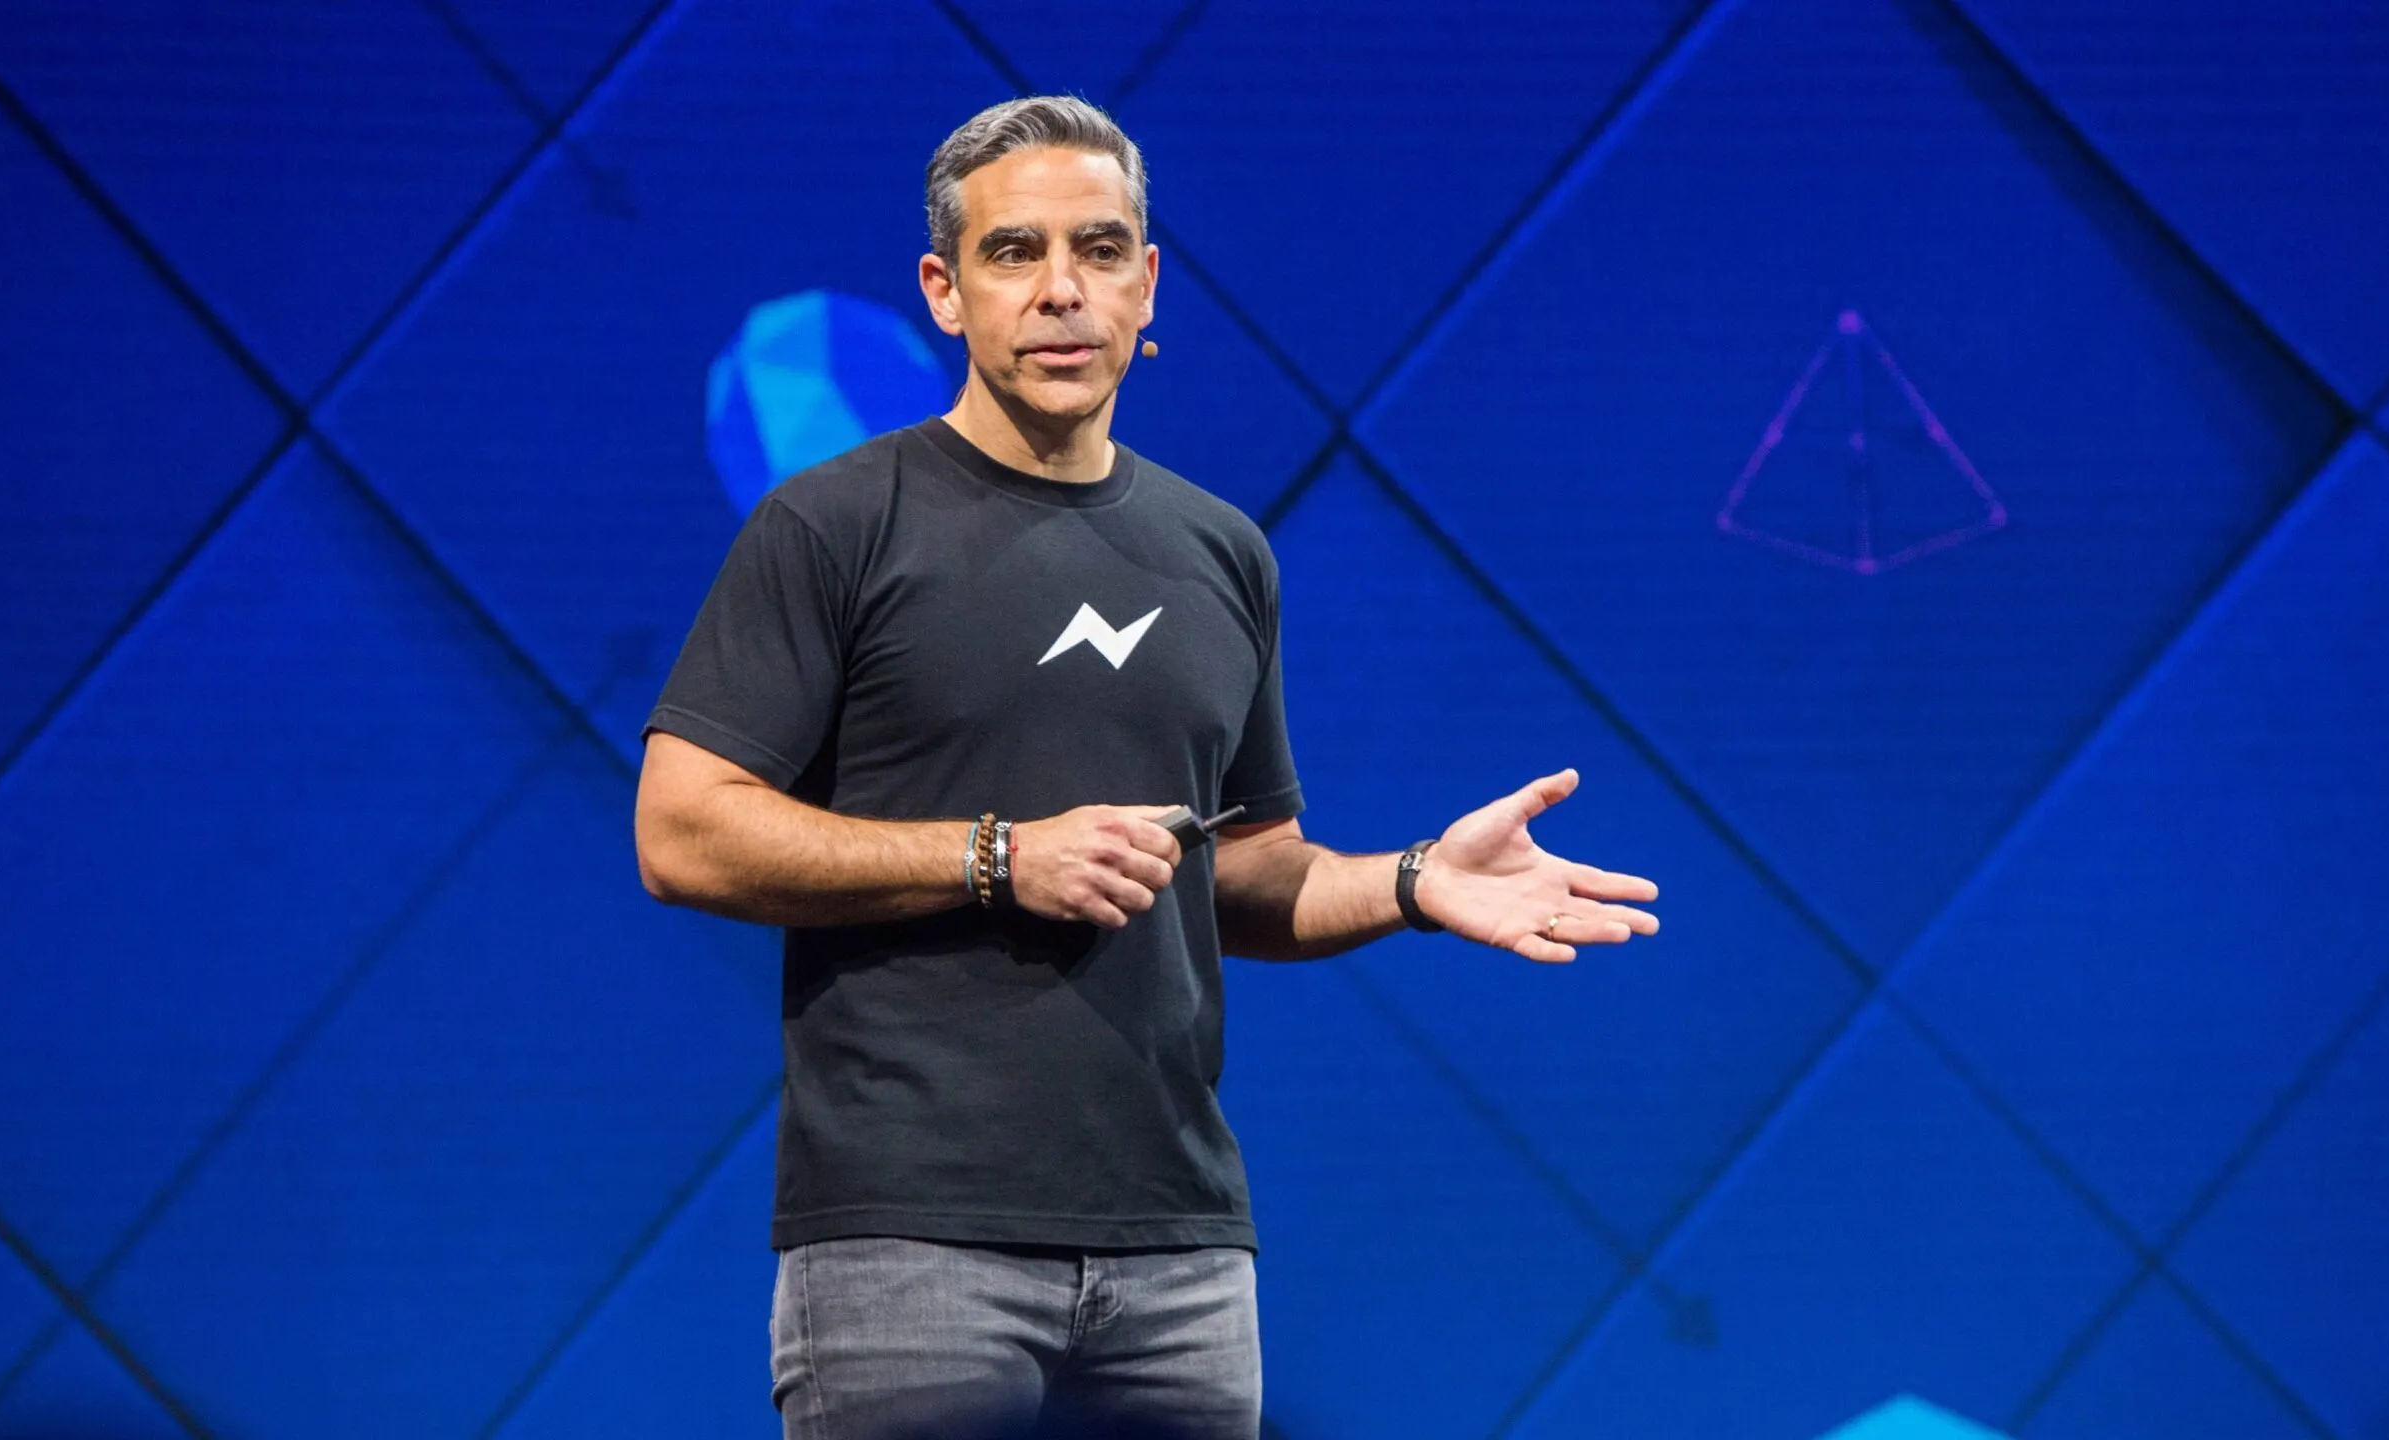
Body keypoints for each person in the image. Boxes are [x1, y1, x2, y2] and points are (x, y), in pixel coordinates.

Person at [633, 94, 1660, 1440]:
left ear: (1148, 283)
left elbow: (1247, 878)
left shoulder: (1221, 550)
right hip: (912, 1243)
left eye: (1100, 249)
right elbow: (682, 831)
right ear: (944, 292)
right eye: (1014, 252)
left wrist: (1415, 881)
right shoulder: (833, 524)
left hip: (1181, 1260)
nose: (1061, 290)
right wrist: (999, 856)